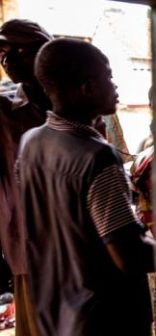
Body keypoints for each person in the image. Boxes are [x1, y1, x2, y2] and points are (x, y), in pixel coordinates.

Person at [17, 39, 155, 336]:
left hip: (55, 309)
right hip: (103, 318)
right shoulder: (97, 158)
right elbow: (129, 255)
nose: (115, 86)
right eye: (108, 76)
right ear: (87, 88)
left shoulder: (31, 142)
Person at [0, 18, 53, 336]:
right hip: (32, 242)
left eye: (20, 49)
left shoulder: (88, 96)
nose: (9, 60)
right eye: (3, 54)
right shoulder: (4, 110)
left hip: (87, 240)